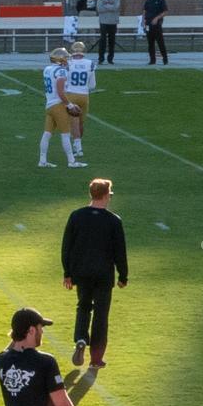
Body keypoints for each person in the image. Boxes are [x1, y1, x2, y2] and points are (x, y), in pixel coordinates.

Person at [59, 178, 129, 369]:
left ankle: (81, 338)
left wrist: (67, 273)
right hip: (103, 274)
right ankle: (96, 358)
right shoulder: (113, 221)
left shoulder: (76, 216)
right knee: (101, 314)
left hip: (81, 272)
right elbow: (119, 252)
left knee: (83, 306)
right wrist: (123, 276)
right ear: (106, 195)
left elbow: (67, 247)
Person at [38, 47, 81, 168]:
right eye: (65, 58)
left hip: (49, 105)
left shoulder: (47, 69)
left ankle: (42, 161)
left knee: (47, 134)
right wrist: (70, 105)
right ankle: (71, 161)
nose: (67, 60)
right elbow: (61, 92)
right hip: (58, 105)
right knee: (65, 134)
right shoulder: (61, 71)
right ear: (59, 59)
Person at [64, 40, 94, 154]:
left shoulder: (68, 63)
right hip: (84, 96)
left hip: (71, 94)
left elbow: (65, 81)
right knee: (80, 122)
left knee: (73, 122)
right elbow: (92, 85)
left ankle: (78, 148)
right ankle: (78, 146)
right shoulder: (90, 63)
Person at [92, 0, 121, 65]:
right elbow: (99, 9)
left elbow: (116, 7)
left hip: (113, 22)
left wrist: (106, 5)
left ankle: (110, 58)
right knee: (103, 40)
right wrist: (110, 6)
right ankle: (101, 58)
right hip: (103, 21)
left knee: (112, 41)